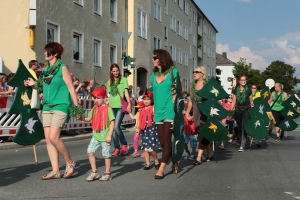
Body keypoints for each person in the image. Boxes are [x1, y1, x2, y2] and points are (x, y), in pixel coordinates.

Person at [25, 42, 80, 179]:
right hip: (47, 106)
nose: (44, 53)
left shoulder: (63, 68)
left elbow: (71, 89)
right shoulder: (44, 70)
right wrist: (33, 84)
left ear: (55, 53)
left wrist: (77, 108)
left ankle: (69, 162)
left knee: (54, 137)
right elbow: (42, 85)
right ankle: (55, 170)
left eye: (47, 51)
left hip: (61, 105)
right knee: (49, 139)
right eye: (44, 51)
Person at [150, 49, 181, 179]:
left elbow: (180, 90)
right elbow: (153, 93)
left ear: (162, 58)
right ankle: (174, 159)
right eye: (153, 57)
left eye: (155, 57)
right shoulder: (153, 75)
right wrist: (152, 107)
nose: (153, 60)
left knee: (167, 139)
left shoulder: (174, 72)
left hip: (170, 109)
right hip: (158, 110)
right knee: (162, 141)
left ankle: (162, 168)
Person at [79, 88, 115, 181]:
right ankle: (94, 172)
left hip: (105, 136)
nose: (96, 100)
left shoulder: (108, 109)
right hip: (96, 135)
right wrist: (81, 118)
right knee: (90, 152)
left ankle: (107, 173)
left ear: (104, 98)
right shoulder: (94, 108)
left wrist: (109, 135)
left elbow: (112, 122)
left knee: (106, 154)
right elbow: (88, 118)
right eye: (94, 98)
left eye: (98, 98)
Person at [186, 66, 214, 165]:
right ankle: (210, 152)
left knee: (203, 133)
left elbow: (213, 99)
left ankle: (198, 157)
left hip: (206, 112)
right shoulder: (192, 85)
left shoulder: (208, 85)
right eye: (193, 72)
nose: (194, 73)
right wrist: (188, 112)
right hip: (196, 112)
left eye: (197, 72)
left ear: (202, 74)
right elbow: (191, 100)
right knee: (200, 133)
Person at [106, 63, 131, 156]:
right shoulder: (110, 82)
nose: (116, 73)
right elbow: (109, 95)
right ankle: (117, 148)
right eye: (114, 71)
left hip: (121, 106)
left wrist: (129, 103)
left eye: (117, 71)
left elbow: (126, 93)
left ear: (119, 71)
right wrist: (107, 104)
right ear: (111, 72)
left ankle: (124, 144)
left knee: (116, 127)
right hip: (112, 106)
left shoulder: (123, 80)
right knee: (112, 129)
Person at [230, 75, 254, 152]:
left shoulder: (248, 90)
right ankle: (241, 139)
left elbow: (251, 101)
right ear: (239, 81)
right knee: (239, 126)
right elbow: (233, 101)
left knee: (244, 126)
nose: (244, 81)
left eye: (245, 80)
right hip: (238, 109)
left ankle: (242, 145)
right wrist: (230, 111)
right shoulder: (235, 90)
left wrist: (254, 109)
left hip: (246, 109)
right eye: (242, 80)